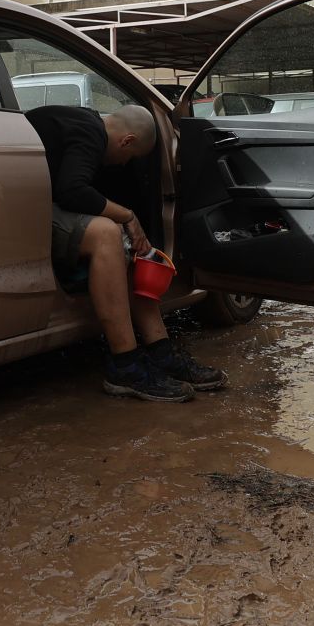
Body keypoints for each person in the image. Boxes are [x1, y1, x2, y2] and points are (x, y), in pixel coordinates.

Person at [26, 102, 227, 402]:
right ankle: (125, 365)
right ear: (127, 141)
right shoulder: (89, 131)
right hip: (19, 208)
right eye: (129, 157)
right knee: (108, 232)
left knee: (131, 243)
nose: (122, 164)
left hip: (36, 199)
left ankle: (161, 352)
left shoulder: (81, 122)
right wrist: (127, 216)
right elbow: (72, 190)